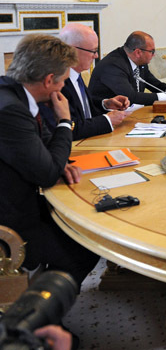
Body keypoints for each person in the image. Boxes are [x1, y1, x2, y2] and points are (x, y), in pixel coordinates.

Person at [0, 34, 99, 285]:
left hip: (23, 200)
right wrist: (65, 121)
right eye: (63, 81)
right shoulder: (11, 110)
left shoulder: (15, 95)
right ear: (47, 80)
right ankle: (38, 317)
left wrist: (55, 163)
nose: (63, 88)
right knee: (86, 244)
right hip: (10, 221)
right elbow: (46, 173)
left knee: (84, 226)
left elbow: (45, 150)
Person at [38, 23, 131, 140]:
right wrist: (107, 120)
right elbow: (70, 127)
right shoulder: (57, 82)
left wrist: (106, 104)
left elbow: (84, 110)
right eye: (93, 51)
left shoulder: (76, 74)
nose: (96, 56)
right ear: (71, 50)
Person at [89, 31, 166, 106]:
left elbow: (154, 84)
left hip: (129, 114)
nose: (154, 55)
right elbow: (131, 97)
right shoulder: (113, 65)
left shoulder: (140, 62)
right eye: (152, 51)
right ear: (138, 52)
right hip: (105, 118)